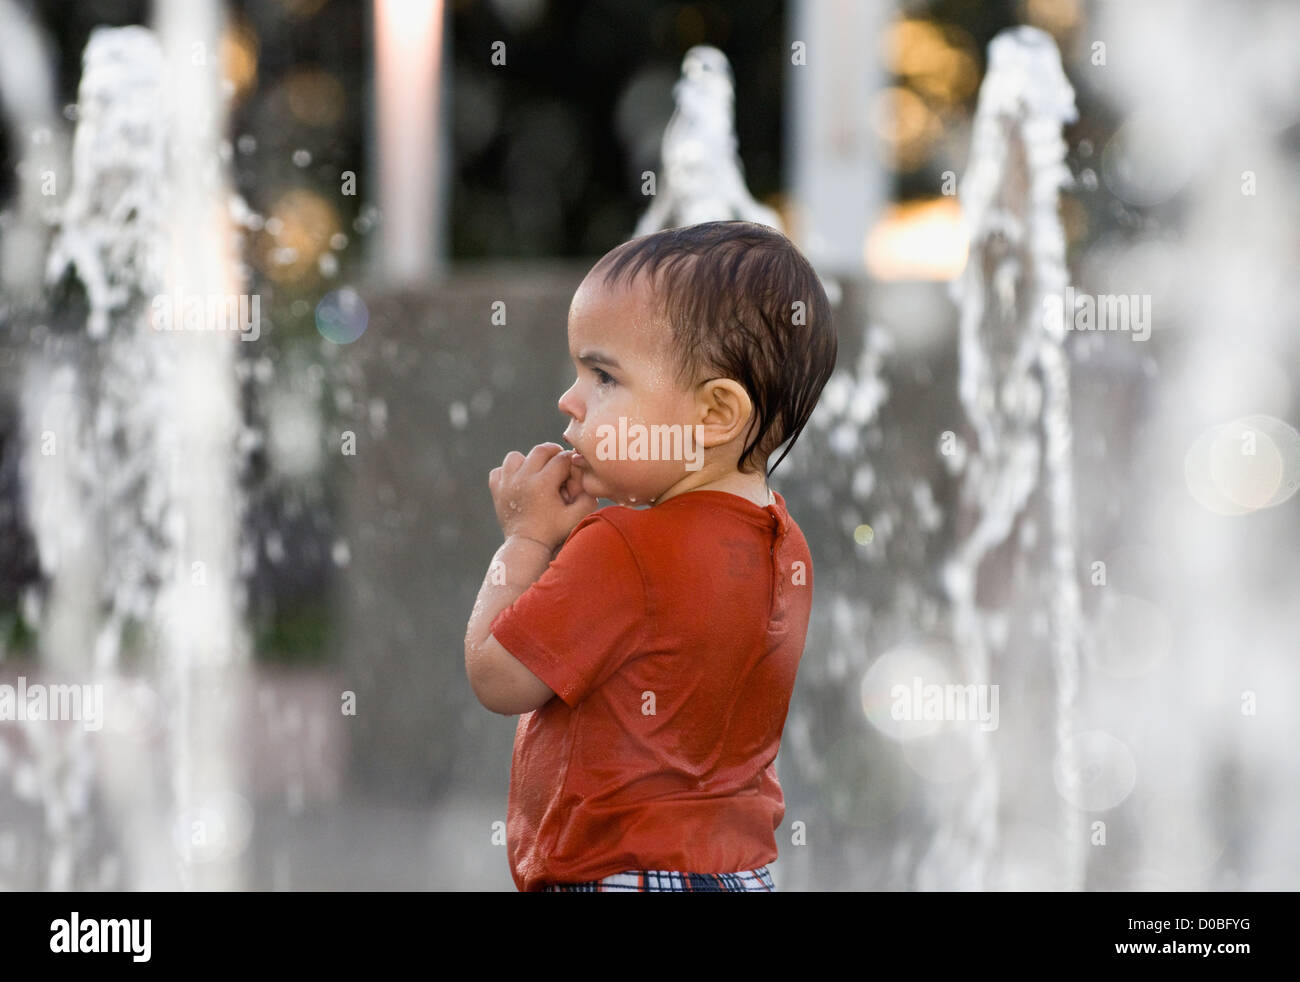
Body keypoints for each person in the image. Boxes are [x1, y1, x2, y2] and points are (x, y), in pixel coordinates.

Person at [464, 220, 837, 891]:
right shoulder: (785, 546)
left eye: (603, 376)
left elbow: (498, 675)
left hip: (619, 874)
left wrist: (524, 538)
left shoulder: (624, 549)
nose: (569, 400)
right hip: (738, 875)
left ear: (715, 415)